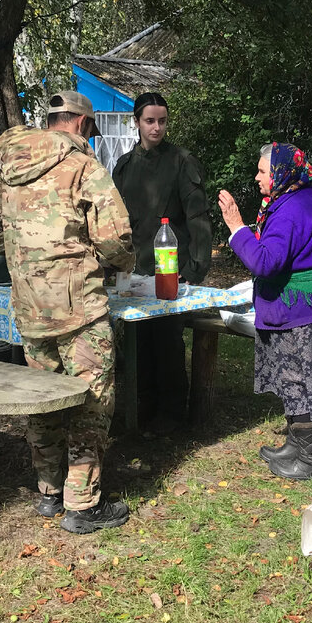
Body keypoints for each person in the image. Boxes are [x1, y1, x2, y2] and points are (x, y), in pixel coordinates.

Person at [0, 90, 136, 534]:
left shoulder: (8, 166)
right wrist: (122, 266)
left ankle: (48, 492)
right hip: (80, 311)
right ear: (82, 124)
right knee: (91, 402)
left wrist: (20, 257)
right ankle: (82, 504)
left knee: (41, 401)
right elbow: (115, 238)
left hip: (29, 308)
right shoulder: (84, 165)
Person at [217, 142, 312, 483]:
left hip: (306, 313)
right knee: (294, 378)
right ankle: (296, 446)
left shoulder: (291, 209)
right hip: (309, 309)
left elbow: (265, 262)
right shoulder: (298, 197)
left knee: (299, 380)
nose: (258, 177)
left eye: (263, 171)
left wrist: (236, 226)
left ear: (280, 172)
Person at [111, 92, 212, 433]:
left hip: (173, 270)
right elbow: (116, 223)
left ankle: (171, 414)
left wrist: (194, 271)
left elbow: (198, 217)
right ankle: (141, 407)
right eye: (150, 121)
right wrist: (116, 266)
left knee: (168, 341)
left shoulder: (182, 161)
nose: (157, 128)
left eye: (162, 121)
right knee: (138, 342)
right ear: (136, 122)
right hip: (135, 271)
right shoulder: (124, 166)